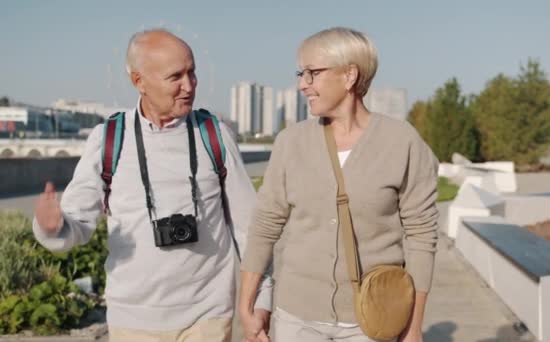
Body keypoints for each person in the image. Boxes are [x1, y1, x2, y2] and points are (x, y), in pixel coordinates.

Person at [33, 29, 272, 342]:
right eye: (175, 76)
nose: (189, 86)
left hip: (208, 316)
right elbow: (78, 223)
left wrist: (261, 299)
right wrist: (51, 228)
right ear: (138, 81)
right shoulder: (108, 139)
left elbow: (248, 228)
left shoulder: (213, 134)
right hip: (133, 320)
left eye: (192, 72)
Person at [239, 27, 439, 342]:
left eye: (312, 73)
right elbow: (265, 224)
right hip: (297, 319)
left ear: (349, 76)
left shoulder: (403, 143)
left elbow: (421, 237)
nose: (301, 84)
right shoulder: (291, 142)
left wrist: (413, 327)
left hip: (373, 321)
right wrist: (246, 304)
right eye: (300, 73)